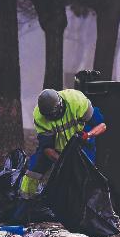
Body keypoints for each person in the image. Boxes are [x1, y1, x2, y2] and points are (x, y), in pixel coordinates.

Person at [14, 88, 107, 221]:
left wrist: (88, 135)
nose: (51, 118)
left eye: (53, 114)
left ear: (60, 106)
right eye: (48, 116)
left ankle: (87, 213)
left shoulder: (77, 102)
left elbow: (102, 125)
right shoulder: (40, 116)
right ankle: (22, 213)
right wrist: (62, 161)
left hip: (82, 143)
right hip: (57, 149)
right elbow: (47, 147)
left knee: (84, 175)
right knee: (32, 173)